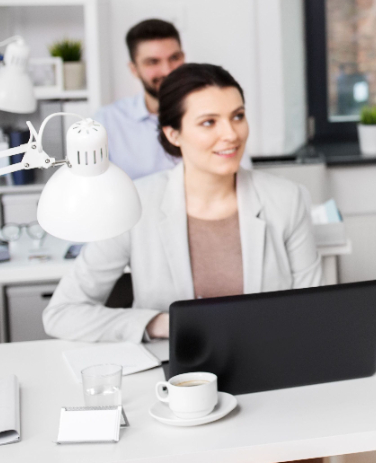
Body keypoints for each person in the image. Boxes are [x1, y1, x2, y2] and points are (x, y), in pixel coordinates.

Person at [44, 63, 322, 343]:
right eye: (209, 122)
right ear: (172, 134)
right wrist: (159, 324)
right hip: (172, 378)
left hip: (268, 365)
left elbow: (313, 311)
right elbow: (61, 313)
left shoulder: (288, 199)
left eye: (237, 116)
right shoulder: (134, 203)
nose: (231, 134)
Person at [94, 19, 186, 179]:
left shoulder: (214, 114)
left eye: (174, 58)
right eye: (153, 62)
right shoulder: (108, 121)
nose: (167, 71)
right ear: (134, 69)